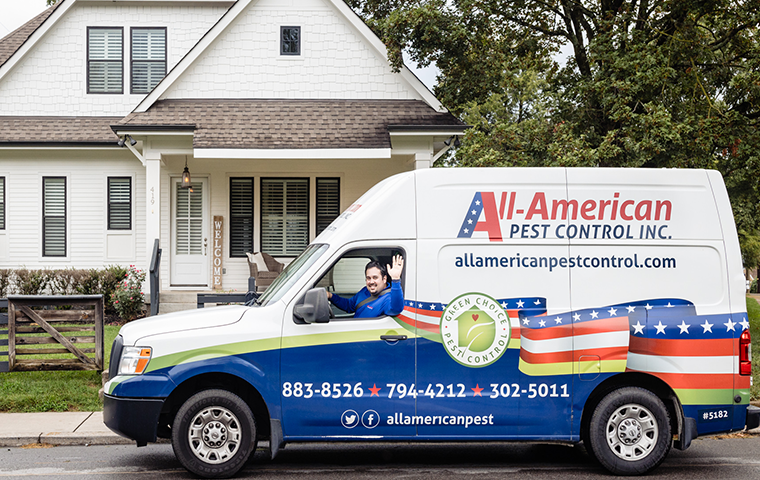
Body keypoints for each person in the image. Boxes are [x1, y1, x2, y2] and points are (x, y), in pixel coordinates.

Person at [327, 254, 404, 318]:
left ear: (384, 279)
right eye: (368, 278)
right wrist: (330, 296)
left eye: (375, 278)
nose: (371, 282)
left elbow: (396, 309)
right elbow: (349, 305)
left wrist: (396, 280)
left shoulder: (387, 298)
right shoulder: (365, 291)